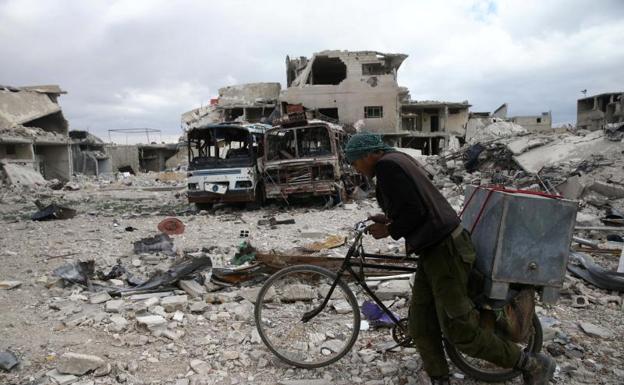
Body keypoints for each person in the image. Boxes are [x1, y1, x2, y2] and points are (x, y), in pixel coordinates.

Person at [343, 132, 555, 385]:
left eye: (355, 162)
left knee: (460, 329)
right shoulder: (398, 160)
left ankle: (531, 363)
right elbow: (415, 205)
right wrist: (389, 219)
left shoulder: (387, 166)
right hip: (433, 251)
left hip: (445, 251)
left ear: (369, 155)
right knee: (421, 321)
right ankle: (439, 377)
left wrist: (389, 229)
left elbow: (416, 210)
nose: (356, 168)